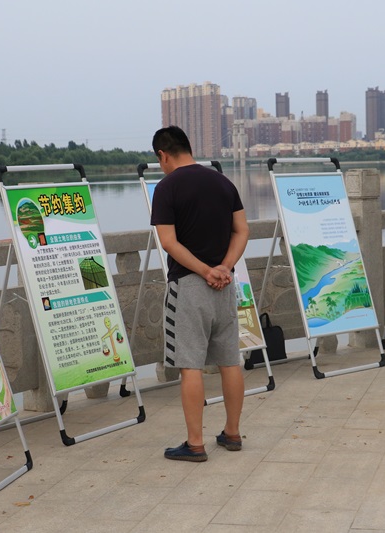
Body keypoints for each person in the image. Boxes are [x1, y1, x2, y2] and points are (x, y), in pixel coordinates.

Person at [150, 125, 250, 462]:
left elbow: (168, 242)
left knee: (189, 365)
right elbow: (242, 230)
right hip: (224, 286)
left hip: (190, 287)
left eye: (159, 159)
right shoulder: (223, 182)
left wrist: (205, 271)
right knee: (229, 360)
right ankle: (232, 433)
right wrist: (224, 267)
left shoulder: (166, 187)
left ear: (163, 154)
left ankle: (195, 444)